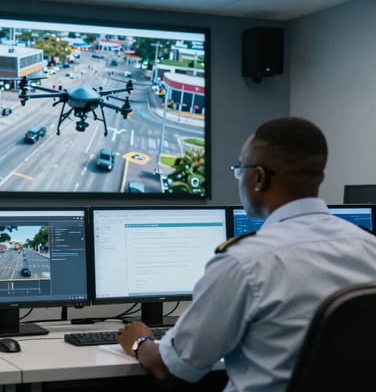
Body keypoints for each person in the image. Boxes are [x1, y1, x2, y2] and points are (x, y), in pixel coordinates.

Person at [118, 116, 376, 391]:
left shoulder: (245, 263)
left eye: (239, 169)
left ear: (258, 178)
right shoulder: (368, 247)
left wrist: (140, 341)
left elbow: (172, 370)